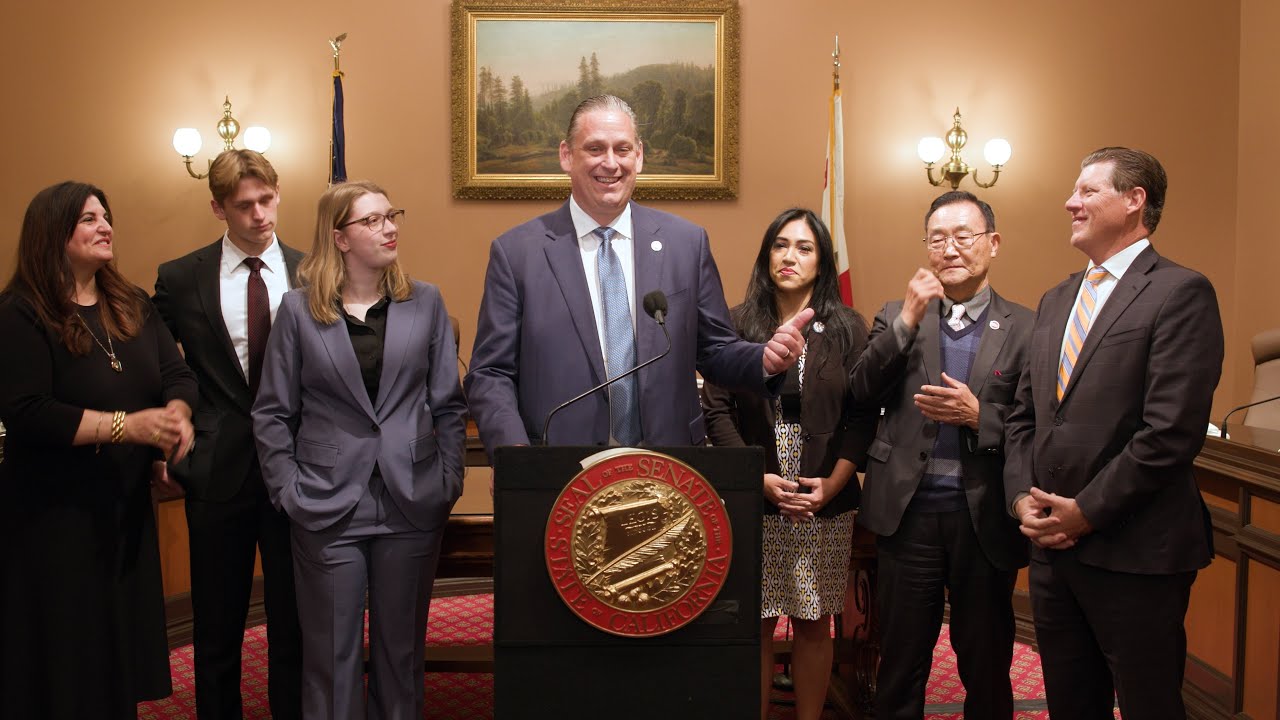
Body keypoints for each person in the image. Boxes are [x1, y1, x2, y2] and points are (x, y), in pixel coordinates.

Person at [465, 94, 809, 459]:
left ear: (639, 156)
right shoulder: (517, 253)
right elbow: (491, 373)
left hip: (669, 470)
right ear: (566, 155)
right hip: (558, 471)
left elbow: (715, 350)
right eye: (595, 148)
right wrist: (514, 453)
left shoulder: (686, 244)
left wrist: (764, 361)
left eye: (622, 149)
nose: (610, 163)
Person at [1004, 148, 1223, 720]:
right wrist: (1022, 498)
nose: (1070, 202)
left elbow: (1170, 432)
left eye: (1088, 191)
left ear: (1134, 201)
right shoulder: (1054, 301)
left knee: (1150, 704)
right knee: (1072, 704)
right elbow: (1023, 418)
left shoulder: (1180, 292)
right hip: (1054, 552)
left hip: (1136, 551)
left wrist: (1088, 511)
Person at [252, 181, 467, 719]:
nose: (389, 227)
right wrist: (289, 491)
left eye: (391, 216)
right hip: (326, 505)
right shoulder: (298, 312)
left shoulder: (427, 302)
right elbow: (273, 412)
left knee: (401, 654)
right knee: (330, 655)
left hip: (412, 500)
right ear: (339, 238)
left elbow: (448, 404)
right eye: (371, 221)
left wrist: (447, 482)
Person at [0, 181, 196, 718]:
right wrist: (124, 428)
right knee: (68, 659)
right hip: (54, 515)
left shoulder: (129, 303)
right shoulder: (21, 311)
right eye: (89, 219)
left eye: (105, 216)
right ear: (53, 232)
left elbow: (175, 374)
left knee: (115, 655)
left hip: (123, 507)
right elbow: (27, 411)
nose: (105, 225)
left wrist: (176, 420)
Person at [849, 191, 1032, 719]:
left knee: (986, 660)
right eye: (937, 238)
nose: (949, 249)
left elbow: (1033, 424)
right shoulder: (896, 315)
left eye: (963, 236)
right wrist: (908, 316)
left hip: (983, 518)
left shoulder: (1026, 325)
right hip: (908, 517)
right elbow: (862, 391)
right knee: (901, 662)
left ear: (992, 244)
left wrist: (980, 417)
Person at [702, 208, 873, 720]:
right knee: (755, 621)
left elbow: (862, 416)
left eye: (804, 247)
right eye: (780, 245)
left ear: (821, 262)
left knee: (814, 619)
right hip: (755, 489)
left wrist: (834, 483)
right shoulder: (735, 323)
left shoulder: (846, 327)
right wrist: (757, 479)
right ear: (766, 255)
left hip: (824, 491)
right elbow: (716, 410)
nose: (790, 256)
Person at [153, 149, 304, 720]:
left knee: (294, 628)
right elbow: (156, 365)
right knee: (217, 631)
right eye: (244, 206)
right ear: (218, 207)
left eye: (267, 200)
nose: (260, 215)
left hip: (298, 473)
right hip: (218, 471)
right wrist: (164, 434)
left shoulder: (315, 272)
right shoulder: (179, 278)